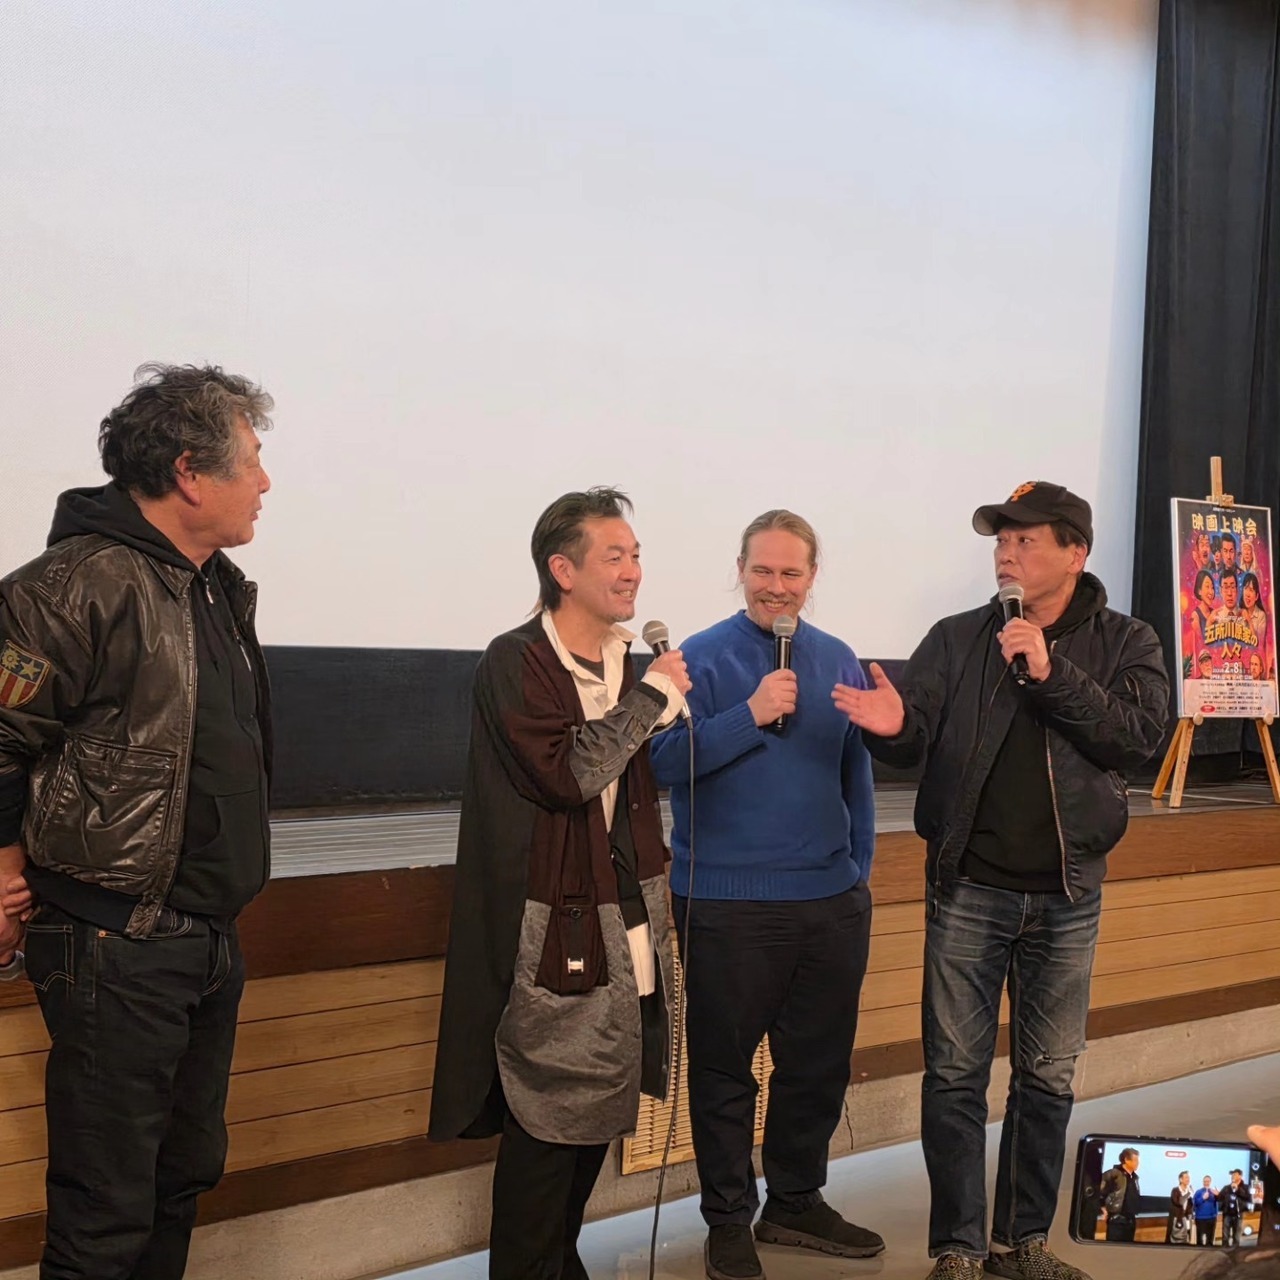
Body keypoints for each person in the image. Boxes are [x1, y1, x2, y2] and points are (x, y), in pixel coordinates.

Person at [833, 481, 1169, 1280]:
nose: (1005, 555)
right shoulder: (957, 639)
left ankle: (1022, 1244)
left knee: (1047, 1077)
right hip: (969, 890)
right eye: (1000, 541)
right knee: (954, 1076)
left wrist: (1050, 672)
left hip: (1068, 894)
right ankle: (958, 1247)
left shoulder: (1128, 640)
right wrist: (891, 732)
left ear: (1075, 553)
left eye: (1024, 540)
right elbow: (914, 733)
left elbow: (1138, 738)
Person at [0, 363, 274, 1280]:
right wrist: (3, 869)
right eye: (252, 460)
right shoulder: (71, 585)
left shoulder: (215, 587)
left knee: (177, 1182)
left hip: (205, 942)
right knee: (106, 1213)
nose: (266, 482)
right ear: (190, 471)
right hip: (114, 946)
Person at [428, 487, 690, 1280]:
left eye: (637, 555)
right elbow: (568, 772)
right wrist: (651, 700)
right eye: (615, 556)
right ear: (563, 570)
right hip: (554, 930)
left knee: (598, 1112)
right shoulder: (516, 660)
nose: (633, 571)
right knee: (548, 1124)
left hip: (629, 916)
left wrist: (647, 697)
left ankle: (558, 1263)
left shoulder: (622, 660)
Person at [649, 509, 882, 1280]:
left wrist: (855, 874)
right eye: (762, 570)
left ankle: (795, 1201)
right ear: (740, 570)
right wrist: (747, 716)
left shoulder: (837, 658)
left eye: (790, 573)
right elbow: (658, 764)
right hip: (726, 904)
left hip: (828, 901)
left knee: (816, 1067)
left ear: (812, 578)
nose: (775, 587)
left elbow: (855, 774)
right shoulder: (697, 659)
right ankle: (727, 1220)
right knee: (724, 1074)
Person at [1098, 1149, 1141, 1242]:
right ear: (1126, 1160)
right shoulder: (1113, 1174)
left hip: (1131, 1219)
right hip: (1116, 1219)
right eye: (1135, 1160)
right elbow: (1100, 1192)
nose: (1138, 1163)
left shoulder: (1134, 1177)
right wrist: (1103, 1210)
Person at [1220, 1170, 1254, 1248]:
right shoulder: (1226, 1188)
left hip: (1238, 1213)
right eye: (1232, 1175)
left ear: (1240, 1176)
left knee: (1237, 1233)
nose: (1233, 1176)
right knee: (1225, 1233)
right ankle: (1224, 1247)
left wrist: (1238, 1189)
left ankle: (1235, 1248)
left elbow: (1249, 1198)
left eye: (1235, 1174)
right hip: (1227, 1213)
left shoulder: (1246, 1187)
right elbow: (1220, 1197)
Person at [1189, 570, 1217, 656]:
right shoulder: (1195, 616)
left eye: (1212, 587)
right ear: (1199, 591)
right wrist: (1209, 622)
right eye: (1207, 587)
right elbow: (1200, 645)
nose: (1211, 592)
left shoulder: (1214, 613)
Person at [1168, 1171, 1195, 1245]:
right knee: (1177, 1241)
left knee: (1187, 1240)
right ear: (1180, 1179)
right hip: (1177, 1220)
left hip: (1186, 1220)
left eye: (1189, 1177)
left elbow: (1191, 1206)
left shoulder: (1188, 1191)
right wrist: (1188, 1193)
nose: (1188, 1179)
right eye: (1186, 1177)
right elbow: (1179, 1202)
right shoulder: (1175, 1190)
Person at [1242, 574, 1267, 650]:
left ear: (1256, 596)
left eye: (1251, 590)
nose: (1247, 594)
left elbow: (1260, 646)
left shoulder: (1261, 616)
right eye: (1245, 588)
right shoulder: (1239, 612)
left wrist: (1249, 621)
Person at [1195, 1176, 1221, 1246]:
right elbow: (1195, 1203)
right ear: (1203, 1182)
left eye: (1208, 1181)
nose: (1206, 1183)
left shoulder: (1214, 1192)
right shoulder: (1198, 1192)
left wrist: (1218, 1195)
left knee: (1210, 1240)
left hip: (1211, 1218)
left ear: (1210, 1182)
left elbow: (1220, 1201)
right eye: (1205, 1181)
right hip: (1200, 1218)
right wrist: (1203, 1198)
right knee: (1199, 1240)